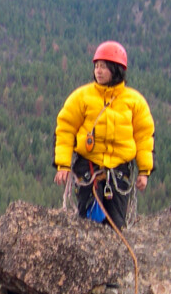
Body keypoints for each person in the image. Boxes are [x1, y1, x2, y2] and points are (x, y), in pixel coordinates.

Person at [53, 40, 155, 229]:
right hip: (89, 168)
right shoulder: (81, 97)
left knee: (116, 225)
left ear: (116, 70)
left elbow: (144, 137)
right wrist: (63, 165)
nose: (98, 71)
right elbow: (65, 129)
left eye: (104, 67)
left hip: (119, 171)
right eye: (97, 66)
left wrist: (144, 171)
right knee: (89, 221)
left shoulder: (134, 102)